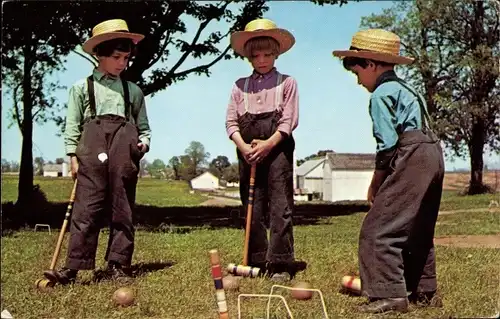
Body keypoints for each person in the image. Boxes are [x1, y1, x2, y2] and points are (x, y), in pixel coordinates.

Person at [332, 29, 445, 313]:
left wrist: (375, 184)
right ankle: (424, 291)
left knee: (378, 229)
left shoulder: (381, 95)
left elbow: (388, 146)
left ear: (370, 64)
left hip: (413, 154)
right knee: (417, 228)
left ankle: (390, 295)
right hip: (433, 152)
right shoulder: (407, 89)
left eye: (357, 71)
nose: (358, 81)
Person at [44, 19, 151, 285]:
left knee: (122, 206)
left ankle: (118, 263)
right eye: (116, 57)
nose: (121, 64)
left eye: (126, 58)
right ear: (99, 54)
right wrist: (72, 156)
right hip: (91, 148)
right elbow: (72, 125)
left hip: (124, 150)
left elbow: (144, 127)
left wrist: (144, 144)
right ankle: (73, 266)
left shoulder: (133, 91)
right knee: (86, 208)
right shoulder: (82, 88)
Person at [226, 18, 306, 281]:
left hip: (277, 149)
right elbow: (231, 123)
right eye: (256, 55)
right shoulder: (240, 86)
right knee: (253, 204)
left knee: (280, 204)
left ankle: (281, 263)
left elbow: (288, 122)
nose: (262, 60)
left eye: (267, 54)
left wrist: (268, 144)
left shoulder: (287, 83)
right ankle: (257, 260)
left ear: (276, 54)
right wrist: (244, 147)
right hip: (248, 151)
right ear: (249, 57)